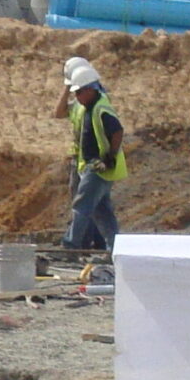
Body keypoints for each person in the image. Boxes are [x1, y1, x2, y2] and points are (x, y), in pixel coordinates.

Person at [63, 59, 127, 255]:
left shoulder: (100, 108)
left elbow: (117, 131)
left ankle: (71, 246)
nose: (77, 96)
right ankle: (115, 249)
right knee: (103, 212)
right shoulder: (90, 107)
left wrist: (109, 157)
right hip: (95, 166)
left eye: (79, 92)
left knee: (81, 205)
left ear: (90, 89)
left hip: (98, 167)